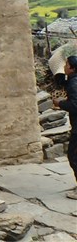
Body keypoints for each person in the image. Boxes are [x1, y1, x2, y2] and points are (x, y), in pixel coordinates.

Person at [52, 55, 77, 200]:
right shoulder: (72, 81)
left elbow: (75, 105)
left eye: (67, 65)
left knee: (73, 157)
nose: (65, 67)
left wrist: (59, 103)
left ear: (72, 68)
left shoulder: (74, 84)